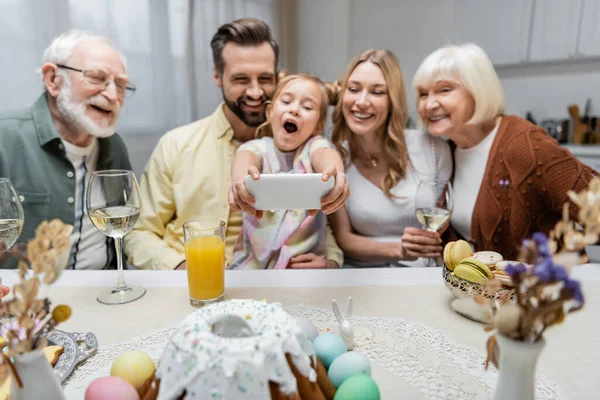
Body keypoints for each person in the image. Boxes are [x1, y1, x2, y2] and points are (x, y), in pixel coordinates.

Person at [125, 18, 345, 270]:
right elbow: (138, 233)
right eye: (241, 79)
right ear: (218, 76)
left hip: (277, 286)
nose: (254, 92)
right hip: (194, 288)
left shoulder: (302, 147)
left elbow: (317, 220)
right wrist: (182, 267)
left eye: (264, 79)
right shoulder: (175, 145)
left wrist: (329, 262)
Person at [413, 43, 597, 260]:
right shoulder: (448, 149)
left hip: (541, 288)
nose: (429, 104)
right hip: (485, 290)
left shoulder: (526, 146)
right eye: (423, 94)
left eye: (444, 90)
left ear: (478, 91)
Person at [0, 30, 134, 270]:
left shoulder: (114, 145)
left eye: (121, 85)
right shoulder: (5, 139)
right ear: (53, 79)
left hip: (104, 296)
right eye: (96, 77)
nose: (113, 95)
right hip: (28, 300)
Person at [328, 49, 452, 268]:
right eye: (353, 89)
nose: (361, 101)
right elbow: (344, 238)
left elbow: (444, 224)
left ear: (392, 100)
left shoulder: (432, 149)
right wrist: (399, 250)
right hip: (362, 278)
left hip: (421, 277)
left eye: (377, 92)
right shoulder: (334, 159)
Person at [228, 73, 349, 269]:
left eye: (307, 107)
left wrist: (335, 173)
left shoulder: (314, 147)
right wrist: (239, 181)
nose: (294, 110)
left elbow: (325, 154)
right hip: (254, 268)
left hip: (302, 269)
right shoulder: (257, 149)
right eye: (286, 101)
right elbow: (245, 159)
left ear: (318, 124)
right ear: (269, 112)